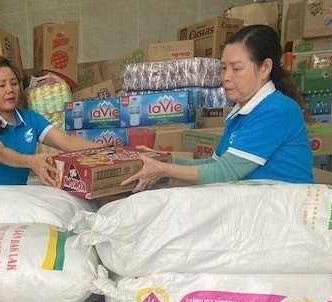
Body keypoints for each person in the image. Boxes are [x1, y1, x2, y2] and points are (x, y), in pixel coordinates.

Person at [124, 25, 314, 193]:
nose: (226, 77)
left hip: (285, 213)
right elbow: (215, 164)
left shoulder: (276, 110)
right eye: (224, 68)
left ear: (265, 68)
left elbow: (225, 172)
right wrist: (164, 160)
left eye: (236, 68)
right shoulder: (242, 112)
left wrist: (164, 169)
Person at [0, 56, 103, 186]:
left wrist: (106, 150)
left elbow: (66, 142)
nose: (10, 90)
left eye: (14, 83)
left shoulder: (30, 118)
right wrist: (31, 161)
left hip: (19, 195)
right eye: (1, 85)